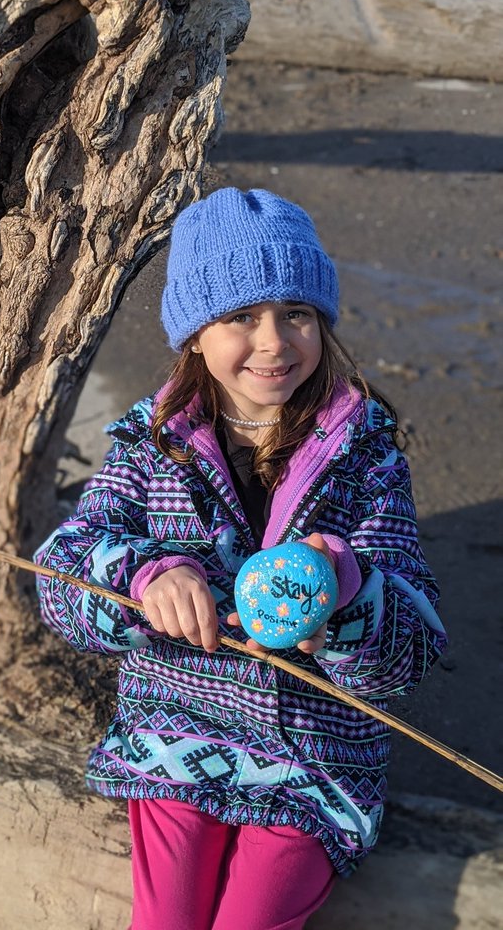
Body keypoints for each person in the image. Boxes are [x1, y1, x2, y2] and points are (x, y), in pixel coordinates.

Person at [33, 187, 447, 930]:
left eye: (297, 313)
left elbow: (410, 652)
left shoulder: (366, 459)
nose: (274, 341)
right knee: (165, 922)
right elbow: (61, 573)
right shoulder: (151, 446)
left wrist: (346, 599)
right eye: (239, 317)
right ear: (194, 334)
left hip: (316, 758)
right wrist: (145, 577)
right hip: (177, 737)